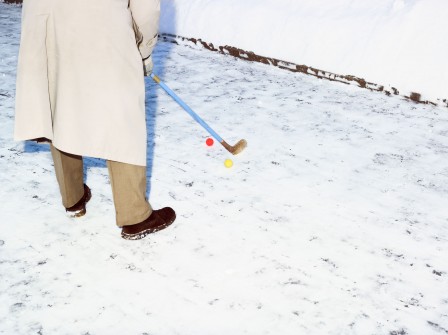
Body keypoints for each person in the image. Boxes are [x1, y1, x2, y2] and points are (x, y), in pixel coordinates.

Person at [14, 0, 175, 240]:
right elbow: (145, 7)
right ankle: (134, 215)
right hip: (101, 23)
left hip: (46, 19)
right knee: (121, 114)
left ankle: (73, 198)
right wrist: (142, 49)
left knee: (61, 101)